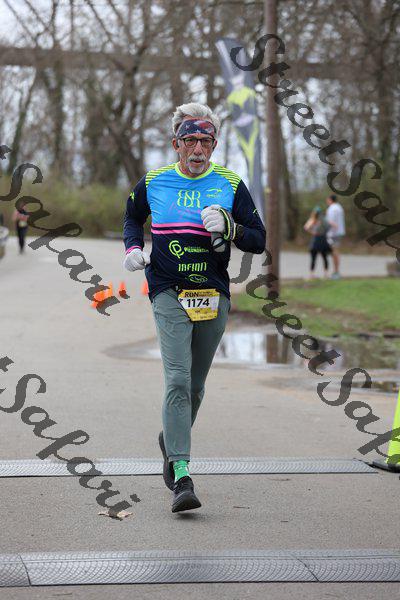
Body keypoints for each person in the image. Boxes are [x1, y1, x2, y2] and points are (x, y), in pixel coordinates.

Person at [123, 102, 266, 513]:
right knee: (177, 378)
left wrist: (232, 227)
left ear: (214, 145)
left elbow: (258, 239)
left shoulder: (230, 184)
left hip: (212, 292)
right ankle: (182, 474)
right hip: (167, 289)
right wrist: (132, 248)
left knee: (195, 386)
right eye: (190, 141)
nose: (198, 149)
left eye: (205, 141)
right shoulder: (154, 181)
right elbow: (132, 217)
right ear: (176, 145)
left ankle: (171, 439)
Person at [304, 206, 332, 279]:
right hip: (317, 239)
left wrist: (314, 231)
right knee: (317, 257)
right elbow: (306, 227)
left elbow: (328, 227)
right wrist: (313, 231)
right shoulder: (315, 219)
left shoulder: (322, 219)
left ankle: (324, 274)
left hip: (321, 239)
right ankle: (313, 274)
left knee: (322, 256)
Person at [325, 194, 345, 279]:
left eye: (327, 199)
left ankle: (336, 272)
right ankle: (336, 271)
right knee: (335, 252)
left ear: (330, 200)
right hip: (339, 232)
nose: (326, 201)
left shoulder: (332, 209)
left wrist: (324, 220)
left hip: (333, 234)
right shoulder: (339, 207)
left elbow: (331, 222)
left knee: (334, 252)